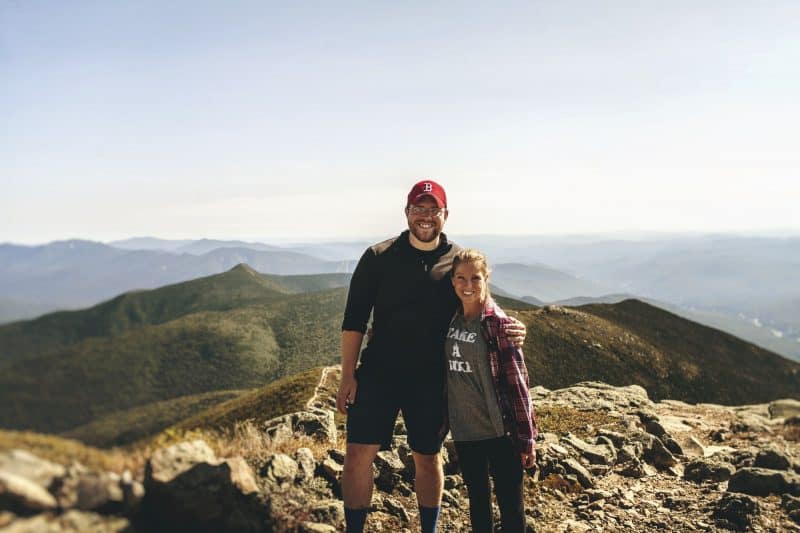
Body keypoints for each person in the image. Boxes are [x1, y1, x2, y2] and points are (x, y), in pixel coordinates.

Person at [336, 180, 526, 533]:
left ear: (445, 215)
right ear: (406, 212)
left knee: (427, 456)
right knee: (358, 454)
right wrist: (348, 374)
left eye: (433, 210)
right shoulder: (378, 257)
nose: (426, 217)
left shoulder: (456, 259)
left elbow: (478, 298)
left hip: (431, 379)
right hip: (378, 373)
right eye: (418, 209)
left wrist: (511, 327)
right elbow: (354, 321)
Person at [445, 248, 537, 533]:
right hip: (464, 430)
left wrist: (527, 438)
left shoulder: (498, 326)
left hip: (501, 431)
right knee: (478, 503)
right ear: (452, 280)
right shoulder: (449, 317)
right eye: (461, 278)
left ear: (487, 279)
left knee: (511, 506)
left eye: (475, 278)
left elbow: (518, 385)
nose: (468, 285)